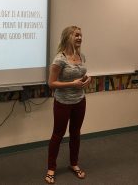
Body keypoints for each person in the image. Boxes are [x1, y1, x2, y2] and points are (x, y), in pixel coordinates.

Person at [45, 26, 91, 184]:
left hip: (80, 101)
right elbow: (51, 83)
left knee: (76, 133)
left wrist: (87, 79)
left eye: (81, 35)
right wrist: (72, 83)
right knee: (57, 135)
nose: (80, 38)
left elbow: (81, 74)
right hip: (62, 103)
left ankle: (74, 163)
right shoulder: (59, 59)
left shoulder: (81, 56)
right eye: (76, 35)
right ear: (67, 37)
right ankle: (51, 168)